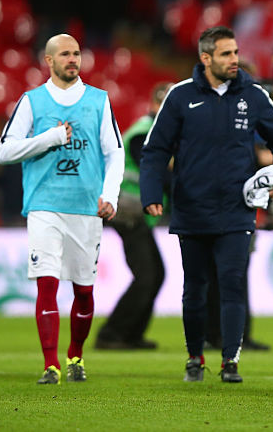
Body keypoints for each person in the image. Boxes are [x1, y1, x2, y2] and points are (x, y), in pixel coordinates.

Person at [141, 26, 273, 384]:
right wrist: (151, 195)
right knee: (194, 288)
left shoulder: (253, 95)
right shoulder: (179, 97)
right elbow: (154, 150)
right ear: (205, 58)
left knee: (232, 284)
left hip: (237, 210)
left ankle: (230, 361)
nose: (234, 59)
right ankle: (195, 357)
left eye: (235, 52)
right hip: (191, 209)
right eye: (226, 54)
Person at [0, 33, 124, 385]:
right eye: (65, 54)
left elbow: (115, 152)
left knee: (84, 290)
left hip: (86, 207)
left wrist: (109, 194)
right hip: (44, 204)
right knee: (47, 284)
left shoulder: (99, 100)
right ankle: (50, 364)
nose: (72, 59)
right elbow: (3, 151)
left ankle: (75, 356)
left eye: (77, 53)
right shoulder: (32, 101)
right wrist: (48, 139)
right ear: (48, 61)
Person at [95, 83, 171, 351]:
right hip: (127, 211)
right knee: (147, 275)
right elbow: (158, 170)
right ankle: (112, 334)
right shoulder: (145, 133)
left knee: (155, 274)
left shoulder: (150, 130)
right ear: (153, 105)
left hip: (134, 212)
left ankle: (130, 334)